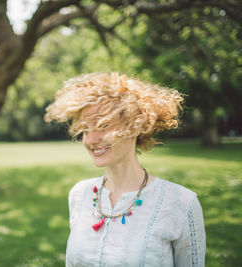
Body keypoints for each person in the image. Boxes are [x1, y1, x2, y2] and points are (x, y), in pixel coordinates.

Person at [44, 72, 206, 266]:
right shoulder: (80, 195)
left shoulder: (181, 203)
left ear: (136, 126)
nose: (91, 139)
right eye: (85, 129)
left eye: (103, 125)